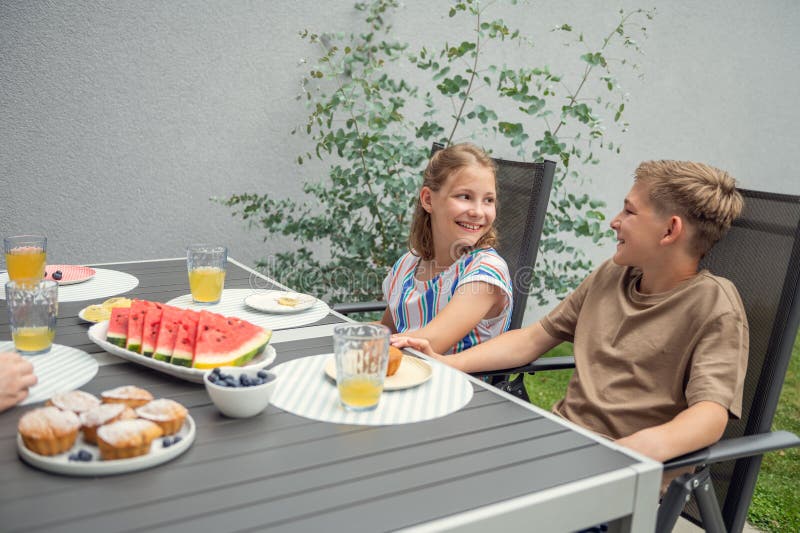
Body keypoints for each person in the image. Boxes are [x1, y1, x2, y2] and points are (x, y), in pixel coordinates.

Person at [393, 160, 748, 470]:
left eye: (629, 211)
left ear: (670, 230)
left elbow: (710, 416)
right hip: (558, 445)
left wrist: (632, 453)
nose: (615, 221)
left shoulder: (715, 307)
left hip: (617, 473)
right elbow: (533, 339)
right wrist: (445, 363)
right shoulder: (612, 275)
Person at [380, 143, 513, 354]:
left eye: (488, 200)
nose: (478, 211)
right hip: (398, 371)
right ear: (428, 199)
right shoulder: (408, 264)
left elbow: (427, 344)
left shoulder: (486, 272)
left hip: (454, 384)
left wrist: (359, 341)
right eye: (465, 197)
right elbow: (386, 330)